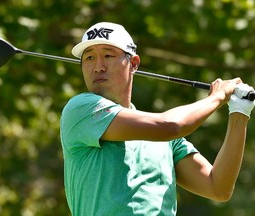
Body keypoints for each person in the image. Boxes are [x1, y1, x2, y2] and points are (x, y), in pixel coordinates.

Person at [60, 22, 255, 216]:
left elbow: (217, 187)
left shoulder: (162, 138)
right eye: (89, 58)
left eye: (108, 55)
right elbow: (171, 126)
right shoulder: (81, 110)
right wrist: (217, 98)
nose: (98, 67)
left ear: (134, 64)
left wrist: (240, 112)